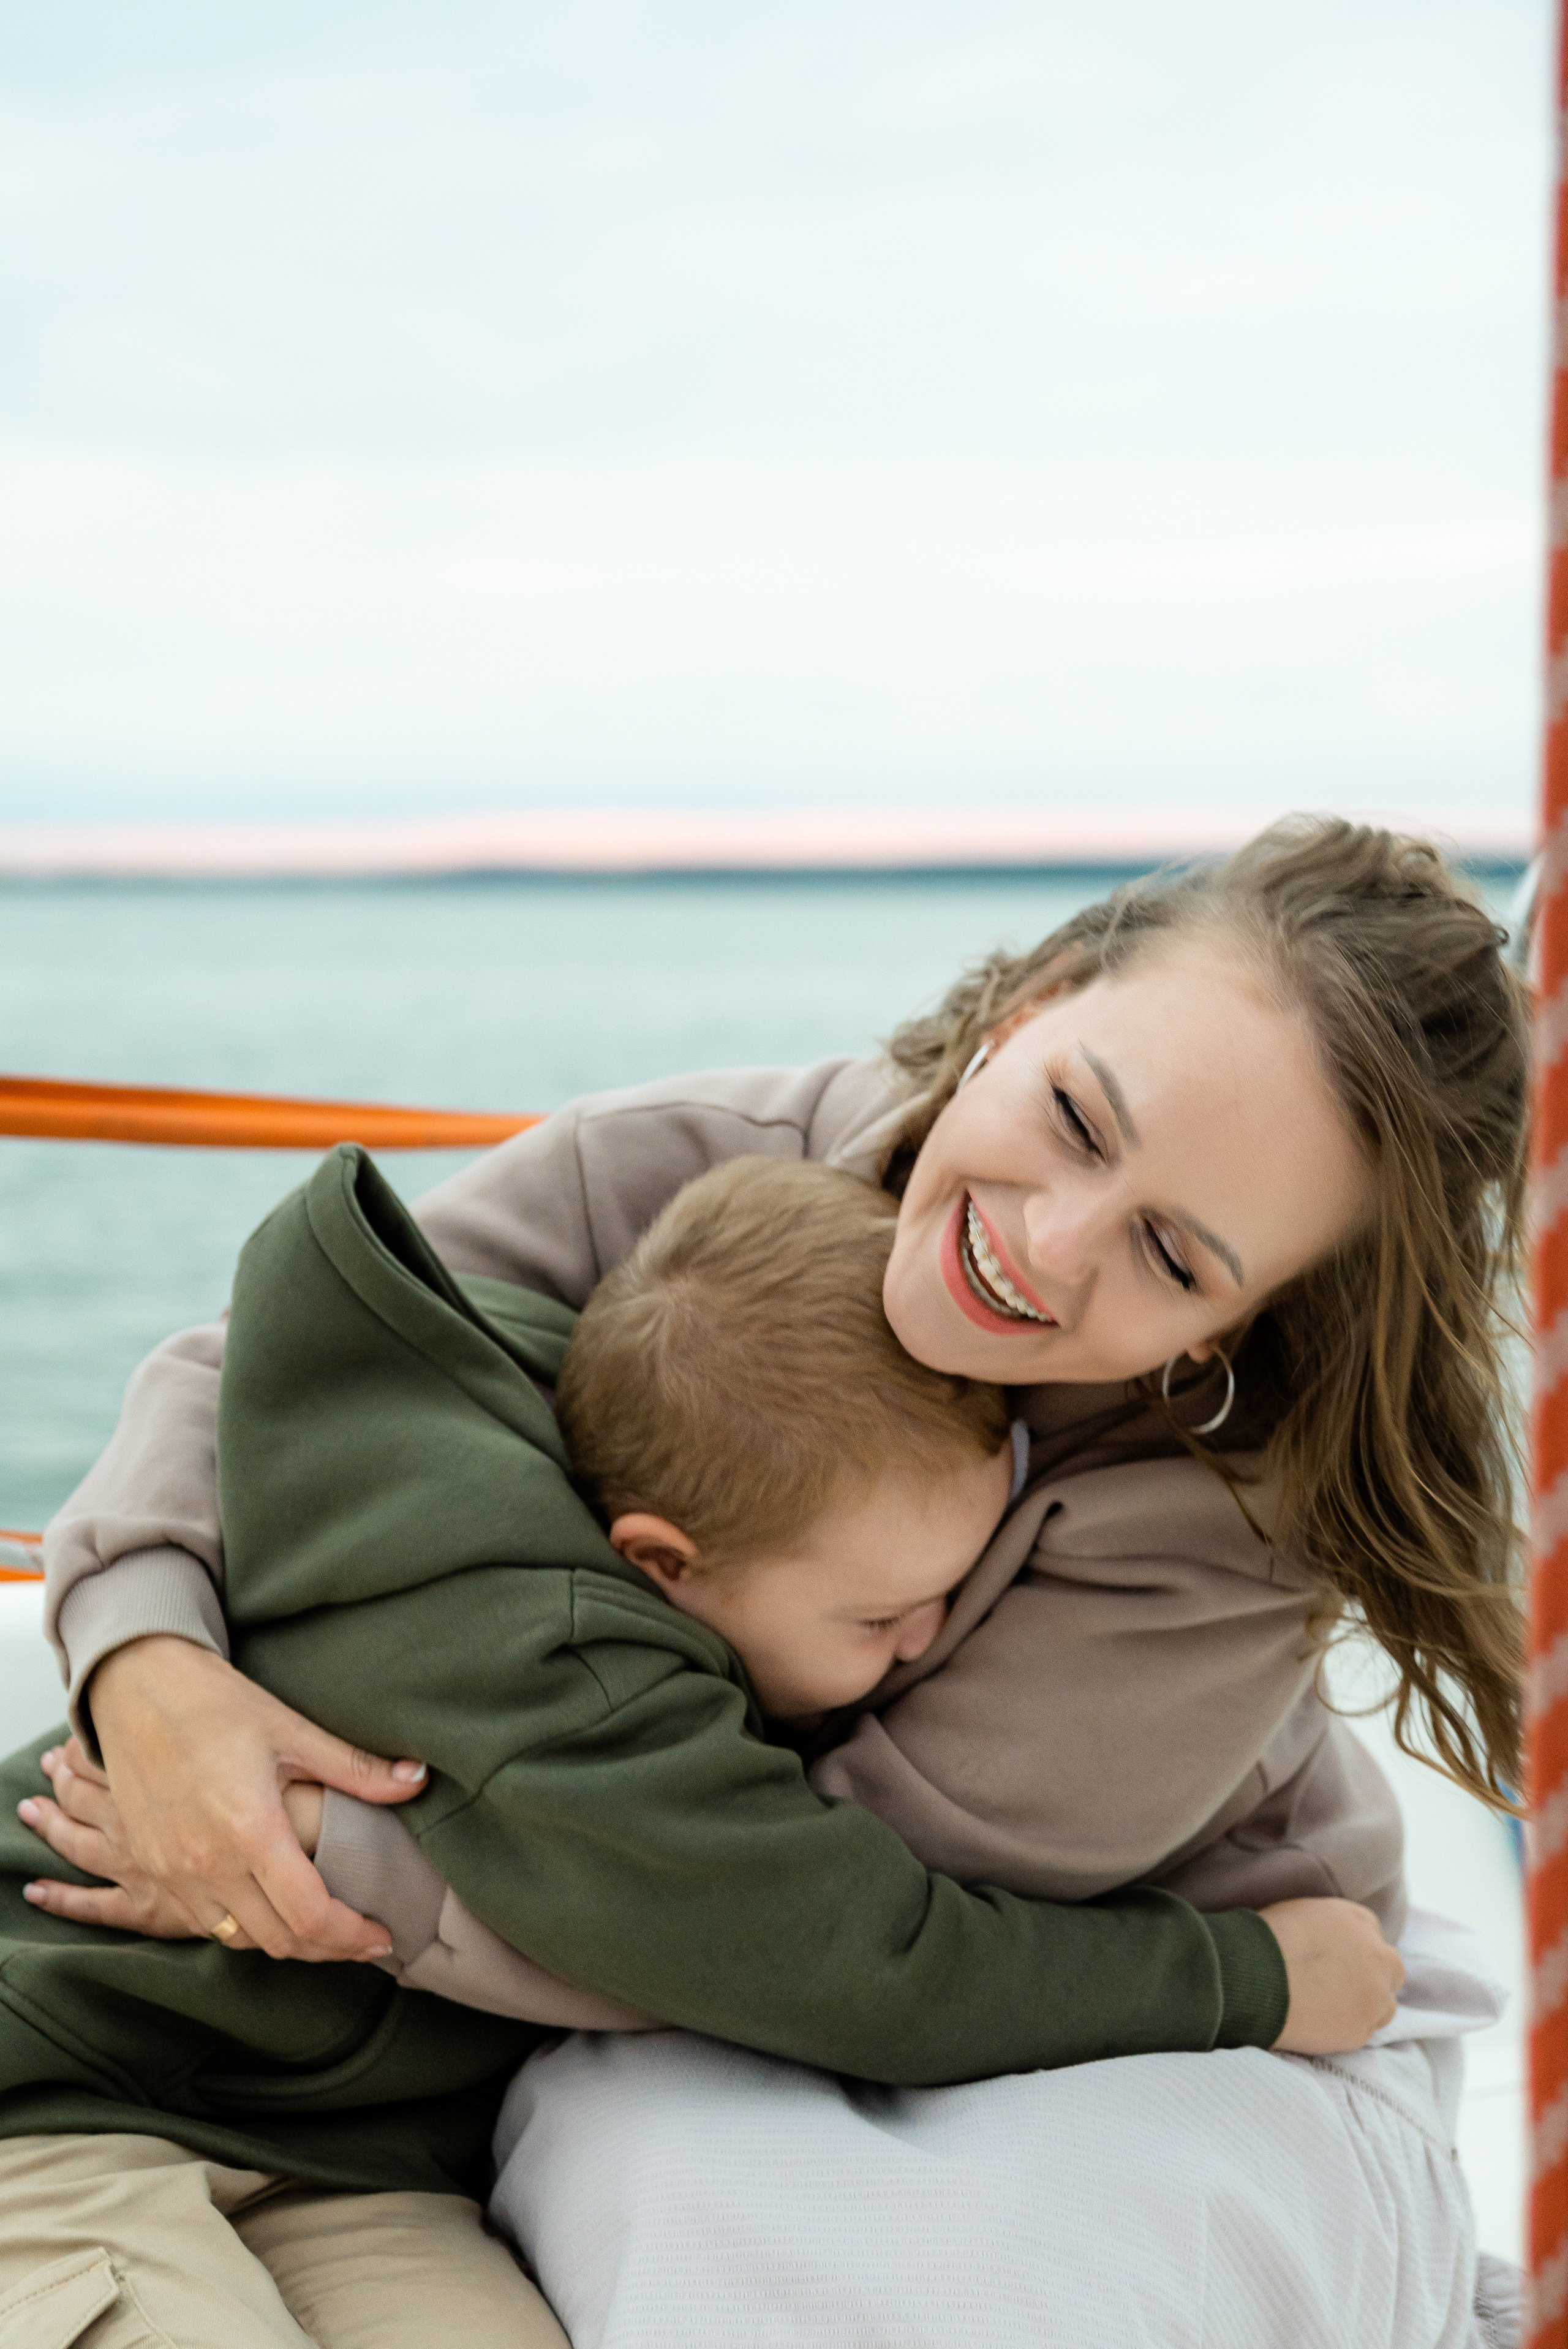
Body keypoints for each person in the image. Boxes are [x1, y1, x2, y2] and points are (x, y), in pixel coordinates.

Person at [20, 819, 1525, 2344]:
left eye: (1174, 1258)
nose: (1045, 1246)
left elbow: (787, 1916)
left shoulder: (1217, 1527)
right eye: (1075, 1115)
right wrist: (151, 1671)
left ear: (1235, 1322)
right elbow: (273, 1382)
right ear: (1032, 1005)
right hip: (538, 1974)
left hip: (1069, 1983)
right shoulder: (697, 1167)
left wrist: (293, 1852)